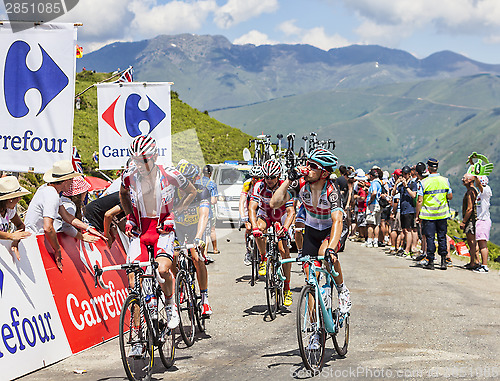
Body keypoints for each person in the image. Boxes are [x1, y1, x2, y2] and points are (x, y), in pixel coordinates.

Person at [120, 135, 198, 333]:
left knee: (162, 271)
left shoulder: (169, 173)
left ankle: (171, 306)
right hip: (141, 230)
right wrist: (129, 215)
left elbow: (192, 192)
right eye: (136, 160)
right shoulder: (128, 176)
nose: (139, 164)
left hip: (162, 230)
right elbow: (122, 194)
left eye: (143, 160)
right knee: (134, 282)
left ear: (154, 157)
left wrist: (175, 213)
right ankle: (137, 333)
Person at [271, 148, 351, 322]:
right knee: (311, 280)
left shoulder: (331, 190)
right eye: (307, 164)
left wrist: (331, 249)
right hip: (312, 229)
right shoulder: (301, 184)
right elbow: (275, 203)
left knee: (325, 255)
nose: (307, 168)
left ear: (323, 172)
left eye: (312, 166)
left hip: (332, 229)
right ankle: (314, 331)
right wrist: (288, 180)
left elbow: (337, 220)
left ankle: (342, 289)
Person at [25, 160, 105, 271]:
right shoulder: (52, 194)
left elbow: (67, 216)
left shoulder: (48, 189)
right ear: (66, 181)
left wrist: (88, 228)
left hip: (35, 240)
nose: (72, 184)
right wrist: (57, 249)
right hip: (35, 242)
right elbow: (48, 227)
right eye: (72, 180)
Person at [248, 159, 295, 307]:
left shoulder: (284, 187)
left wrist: (285, 228)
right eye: (266, 177)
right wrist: (254, 227)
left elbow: (290, 211)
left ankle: (287, 288)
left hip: (281, 217)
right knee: (259, 229)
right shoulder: (259, 186)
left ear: (278, 176)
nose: (269, 180)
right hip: (266, 214)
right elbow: (252, 207)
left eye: (272, 177)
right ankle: (263, 258)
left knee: (283, 250)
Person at [174, 162, 213, 315]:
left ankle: (204, 299)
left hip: (195, 227)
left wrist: (198, 238)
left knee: (197, 258)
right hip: (178, 227)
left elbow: (204, 215)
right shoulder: (173, 192)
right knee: (174, 255)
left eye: (188, 180)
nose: (183, 185)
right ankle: (180, 284)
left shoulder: (202, 191)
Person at [415, 158, 452, 270]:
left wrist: (417, 215)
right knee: (442, 237)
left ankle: (430, 261)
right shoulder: (445, 180)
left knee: (430, 237)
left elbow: (420, 200)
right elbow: (450, 196)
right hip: (442, 214)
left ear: (428, 168)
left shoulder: (424, 182)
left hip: (428, 215)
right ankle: (443, 261)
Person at [54, 176, 99, 244]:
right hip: (60, 242)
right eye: (85, 191)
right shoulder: (70, 206)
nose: (86, 193)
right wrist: (81, 236)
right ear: (79, 194)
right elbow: (66, 226)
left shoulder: (63, 201)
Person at [0, 176, 31, 260]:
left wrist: (15, 242)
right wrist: (11, 236)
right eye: (18, 197)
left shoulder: (9, 211)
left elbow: (20, 225)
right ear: (10, 199)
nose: (19, 199)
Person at [239, 165, 263, 265]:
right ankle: (248, 251)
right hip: (250, 207)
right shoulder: (247, 184)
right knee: (249, 229)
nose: (256, 180)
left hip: (261, 207)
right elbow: (242, 202)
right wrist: (244, 218)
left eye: (259, 178)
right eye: (254, 178)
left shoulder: (264, 184)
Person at [393, 165, 418, 257]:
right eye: (403, 174)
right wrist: (396, 184)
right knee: (404, 230)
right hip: (403, 210)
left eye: (406, 174)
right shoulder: (401, 186)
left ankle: (408, 250)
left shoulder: (413, 184)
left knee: (409, 230)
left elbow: (414, 195)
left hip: (410, 210)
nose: (404, 176)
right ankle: (406, 248)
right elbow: (393, 193)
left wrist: (406, 186)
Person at [197, 165, 220, 255]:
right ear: (211, 173)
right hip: (208, 211)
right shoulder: (212, 184)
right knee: (209, 232)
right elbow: (214, 201)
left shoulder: (197, 182)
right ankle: (206, 253)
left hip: (196, 211)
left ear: (202, 172)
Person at [460, 173, 479, 270]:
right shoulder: (473, 190)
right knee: (473, 242)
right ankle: (477, 261)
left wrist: (464, 221)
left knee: (471, 242)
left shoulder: (470, 192)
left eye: (464, 178)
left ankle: (472, 262)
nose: (462, 179)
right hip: (473, 219)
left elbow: (469, 208)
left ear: (470, 180)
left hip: (470, 220)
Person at [473, 175, 492, 273]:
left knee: (482, 244)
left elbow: (480, 185)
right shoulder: (481, 193)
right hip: (480, 220)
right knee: (480, 244)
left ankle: (485, 266)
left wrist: (476, 177)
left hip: (483, 221)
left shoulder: (485, 191)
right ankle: (482, 264)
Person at [364, 168, 383, 248]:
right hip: (378, 205)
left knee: (370, 224)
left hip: (373, 205)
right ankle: (375, 241)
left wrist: (370, 201)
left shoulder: (374, 183)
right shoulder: (379, 183)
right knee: (377, 224)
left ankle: (369, 241)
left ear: (371, 176)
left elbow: (374, 193)